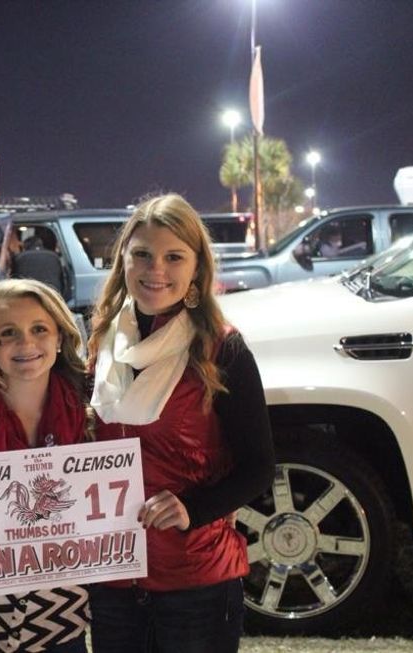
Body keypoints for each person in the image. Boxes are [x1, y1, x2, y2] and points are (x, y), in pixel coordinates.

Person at [86, 193, 274, 653]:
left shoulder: (222, 349)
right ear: (123, 261)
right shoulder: (101, 342)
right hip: (113, 578)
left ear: (196, 269)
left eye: (174, 257)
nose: (156, 271)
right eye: (143, 255)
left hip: (196, 579)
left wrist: (194, 508)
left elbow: (258, 467)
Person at [0, 278, 91, 653]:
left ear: (60, 337)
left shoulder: (89, 411)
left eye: (39, 330)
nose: (26, 344)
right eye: (8, 333)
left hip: (61, 612)